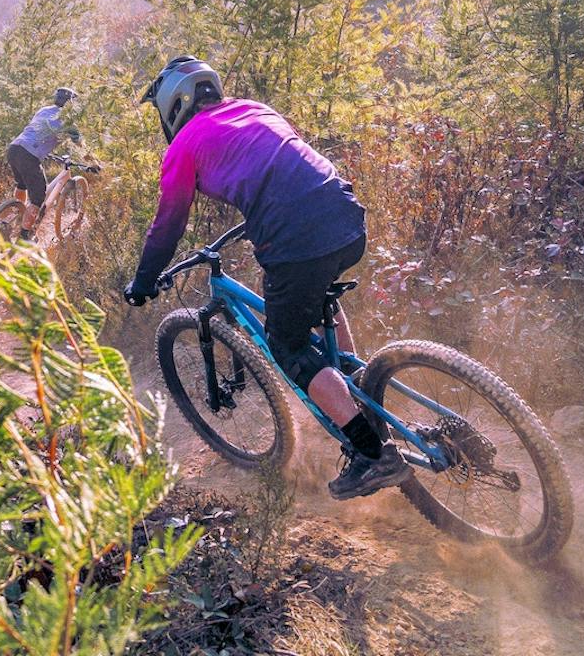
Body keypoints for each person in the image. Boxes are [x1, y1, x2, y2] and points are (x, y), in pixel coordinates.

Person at [122, 56, 409, 500]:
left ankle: (373, 454)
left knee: (287, 345)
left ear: (172, 105)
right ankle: (352, 381)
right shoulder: (254, 108)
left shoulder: (184, 145)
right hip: (346, 215)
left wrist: (144, 281)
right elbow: (281, 167)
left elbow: (167, 224)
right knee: (315, 294)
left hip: (295, 237)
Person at [6, 87, 83, 240]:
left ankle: (11, 219)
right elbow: (81, 145)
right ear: (71, 105)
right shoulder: (69, 123)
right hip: (29, 155)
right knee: (38, 198)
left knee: (22, 184)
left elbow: (37, 131)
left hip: (14, 148)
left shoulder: (44, 110)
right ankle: (24, 237)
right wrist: (93, 162)